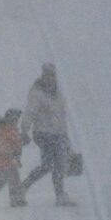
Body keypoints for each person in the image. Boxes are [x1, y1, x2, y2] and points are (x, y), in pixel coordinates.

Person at [19, 63, 76, 206]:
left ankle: (60, 195)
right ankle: (22, 188)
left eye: (53, 74)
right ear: (43, 75)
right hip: (43, 133)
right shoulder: (37, 93)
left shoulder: (57, 93)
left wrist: (65, 136)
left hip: (58, 134)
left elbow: (61, 116)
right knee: (49, 165)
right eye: (48, 74)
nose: (51, 77)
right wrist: (24, 129)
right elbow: (29, 112)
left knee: (58, 165)